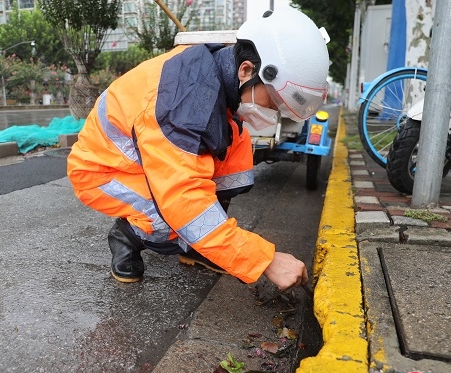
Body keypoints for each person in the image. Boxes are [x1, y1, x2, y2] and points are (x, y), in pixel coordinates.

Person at [67, 7, 330, 291]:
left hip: (140, 158)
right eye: (274, 101)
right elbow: (183, 201)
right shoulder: (184, 104)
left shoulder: (216, 72)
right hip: (103, 170)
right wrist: (263, 260)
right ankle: (127, 236)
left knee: (235, 152)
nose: (275, 111)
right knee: (172, 217)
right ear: (246, 70)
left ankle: (197, 246)